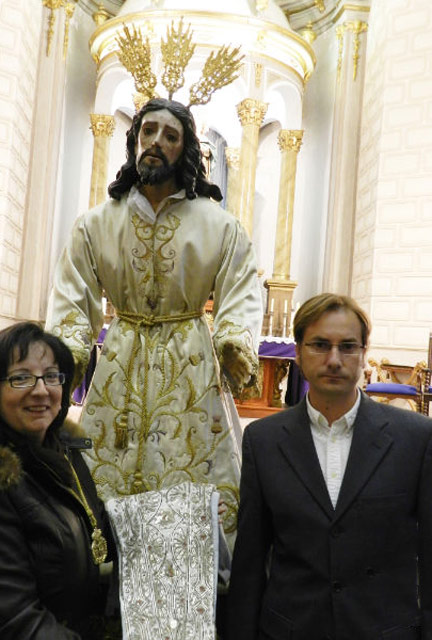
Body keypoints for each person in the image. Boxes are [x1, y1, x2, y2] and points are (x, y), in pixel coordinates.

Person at [46, 98, 262, 550]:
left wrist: (232, 342)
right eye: (148, 132)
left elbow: (240, 289)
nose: (156, 143)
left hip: (191, 365)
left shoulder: (219, 225)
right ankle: (102, 575)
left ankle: (197, 580)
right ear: (134, 139)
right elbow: (73, 295)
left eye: (170, 136)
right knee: (103, 485)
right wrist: (67, 354)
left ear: (185, 151)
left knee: (191, 479)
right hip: (120, 359)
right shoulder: (95, 224)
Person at [227, 293, 432, 640]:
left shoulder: (415, 438)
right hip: (292, 630)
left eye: (347, 347)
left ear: (364, 354)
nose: (334, 359)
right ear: (298, 353)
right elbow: (249, 560)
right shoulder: (263, 441)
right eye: (320, 345)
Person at [0, 322, 117, 639]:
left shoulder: (63, 451)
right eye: (21, 378)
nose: (41, 390)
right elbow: (9, 623)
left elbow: (92, 532)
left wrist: (181, 515)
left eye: (51, 376)